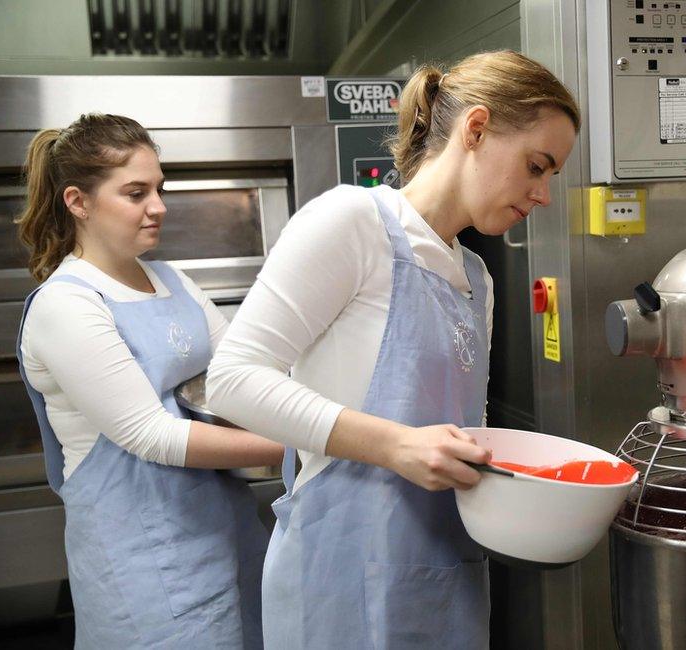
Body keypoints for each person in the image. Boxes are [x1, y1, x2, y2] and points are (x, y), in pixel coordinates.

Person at [206, 50, 579, 648]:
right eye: (537, 166)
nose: (544, 195)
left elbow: (465, 434)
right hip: (341, 579)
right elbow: (233, 378)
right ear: (476, 129)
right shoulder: (353, 222)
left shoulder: (477, 280)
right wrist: (400, 445)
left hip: (443, 578)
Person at [15, 113, 284, 648]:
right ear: (78, 201)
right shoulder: (67, 304)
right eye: (135, 193)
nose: (158, 206)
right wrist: (299, 444)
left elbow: (242, 373)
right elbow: (151, 435)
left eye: (159, 189)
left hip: (224, 535)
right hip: (141, 564)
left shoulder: (171, 279)